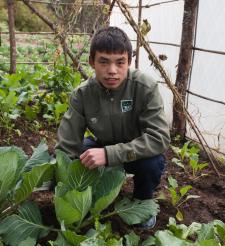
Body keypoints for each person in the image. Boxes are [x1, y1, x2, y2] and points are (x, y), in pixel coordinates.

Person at [56, 26, 170, 228]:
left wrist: (109, 155)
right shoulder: (83, 94)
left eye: (120, 62)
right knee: (75, 153)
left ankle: (142, 203)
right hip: (102, 148)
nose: (112, 70)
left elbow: (159, 138)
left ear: (129, 62)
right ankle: (91, 193)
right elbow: (68, 144)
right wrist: (61, 186)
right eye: (104, 62)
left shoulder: (145, 88)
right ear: (92, 62)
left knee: (152, 162)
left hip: (136, 154)